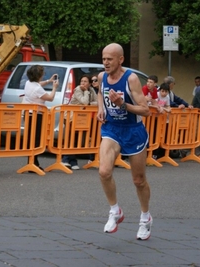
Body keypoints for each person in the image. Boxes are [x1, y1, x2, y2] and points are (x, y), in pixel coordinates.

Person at [96, 43, 152, 240]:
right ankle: (115, 211)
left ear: (121, 60)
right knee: (104, 171)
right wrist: (100, 107)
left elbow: (146, 110)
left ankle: (145, 217)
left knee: (138, 180)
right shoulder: (102, 77)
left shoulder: (132, 79)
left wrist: (123, 104)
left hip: (133, 131)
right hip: (112, 129)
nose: (106, 63)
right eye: (103, 59)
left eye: (110, 59)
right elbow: (100, 93)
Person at [22, 65, 58, 170]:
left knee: (31, 137)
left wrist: (49, 81)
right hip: (36, 115)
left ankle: (32, 161)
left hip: (28, 113)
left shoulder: (28, 83)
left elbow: (38, 85)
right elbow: (50, 98)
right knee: (36, 138)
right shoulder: (37, 88)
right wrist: (54, 87)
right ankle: (33, 162)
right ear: (39, 75)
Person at [61, 74, 98, 170]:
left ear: (89, 83)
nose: (83, 83)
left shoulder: (91, 90)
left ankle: (72, 161)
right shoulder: (78, 90)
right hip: (70, 117)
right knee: (71, 138)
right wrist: (86, 92)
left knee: (77, 139)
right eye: (82, 81)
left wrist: (90, 102)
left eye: (85, 81)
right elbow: (84, 101)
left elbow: (97, 102)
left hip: (82, 118)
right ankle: (66, 160)